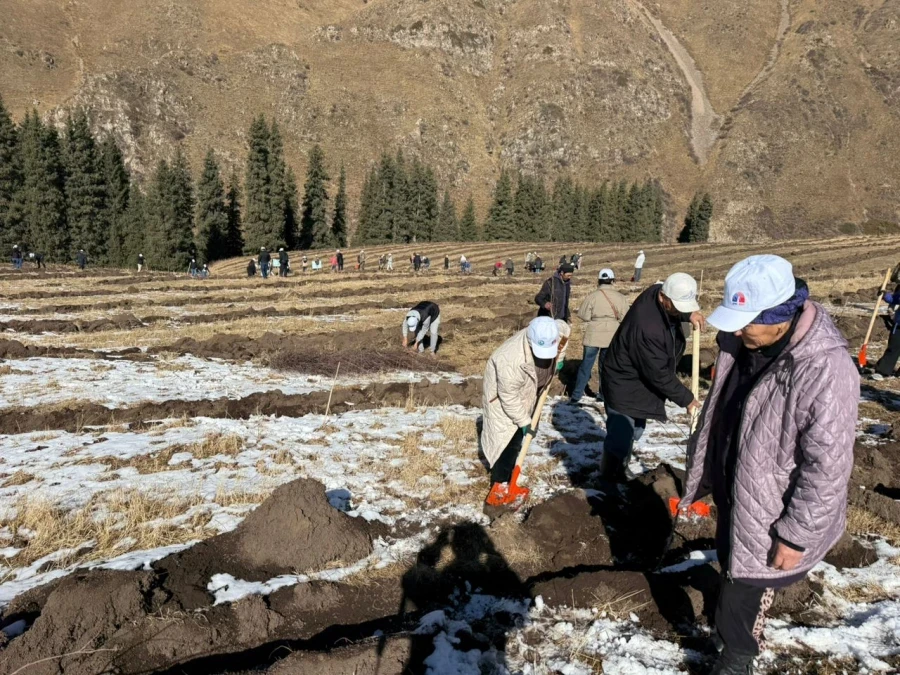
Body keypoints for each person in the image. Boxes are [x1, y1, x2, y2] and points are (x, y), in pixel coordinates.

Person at [680, 255, 858, 675]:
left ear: (780, 317)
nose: (738, 329)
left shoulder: (825, 369)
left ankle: (737, 658)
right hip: (735, 492)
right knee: (730, 564)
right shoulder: (741, 343)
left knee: (745, 591)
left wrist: (795, 536)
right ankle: (729, 634)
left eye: (748, 322)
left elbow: (827, 467)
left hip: (772, 512)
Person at [600, 272, 704, 482]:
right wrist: (687, 399)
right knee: (622, 435)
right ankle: (609, 478)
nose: (680, 311)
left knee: (635, 431)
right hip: (624, 384)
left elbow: (674, 311)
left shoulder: (656, 292)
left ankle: (619, 466)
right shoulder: (647, 328)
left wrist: (688, 315)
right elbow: (659, 374)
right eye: (678, 307)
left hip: (638, 382)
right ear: (663, 298)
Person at [481, 317, 570, 506]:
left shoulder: (556, 330)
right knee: (507, 439)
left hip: (529, 387)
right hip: (503, 397)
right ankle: (501, 483)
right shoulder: (510, 360)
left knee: (521, 437)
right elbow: (509, 397)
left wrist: (559, 360)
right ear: (530, 342)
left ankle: (511, 471)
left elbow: (565, 334)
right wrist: (524, 422)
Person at [571, 269, 629, 404]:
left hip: (593, 333)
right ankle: (604, 394)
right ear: (613, 280)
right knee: (606, 367)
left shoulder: (592, 296)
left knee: (586, 366)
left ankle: (576, 395)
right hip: (612, 335)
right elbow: (625, 317)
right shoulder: (620, 297)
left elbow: (584, 316)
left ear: (598, 281)